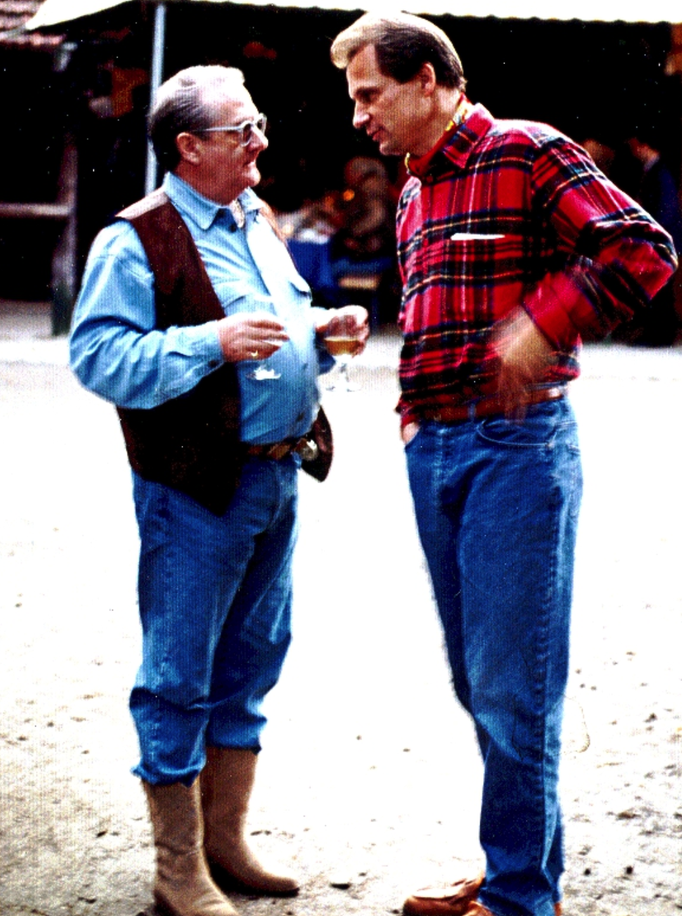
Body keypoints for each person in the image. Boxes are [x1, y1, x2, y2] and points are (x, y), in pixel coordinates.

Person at [330, 14, 677, 916]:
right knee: (481, 678)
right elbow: (427, 322)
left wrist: (544, 321)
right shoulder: (411, 190)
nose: (361, 116)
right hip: (435, 448)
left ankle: (522, 897)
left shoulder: (526, 151)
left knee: (512, 683)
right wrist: (410, 419)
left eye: (371, 94)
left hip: (517, 451)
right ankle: (517, 868)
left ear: (434, 79)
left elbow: (644, 250)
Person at [69, 64, 368, 916]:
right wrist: (209, 342)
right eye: (245, 130)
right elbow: (99, 359)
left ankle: (224, 842)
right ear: (190, 147)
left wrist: (323, 326)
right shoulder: (134, 240)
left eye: (259, 123)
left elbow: (274, 318)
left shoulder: (255, 219)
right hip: (196, 488)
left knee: (251, 663)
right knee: (178, 675)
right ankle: (177, 871)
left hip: (277, 473)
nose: (261, 141)